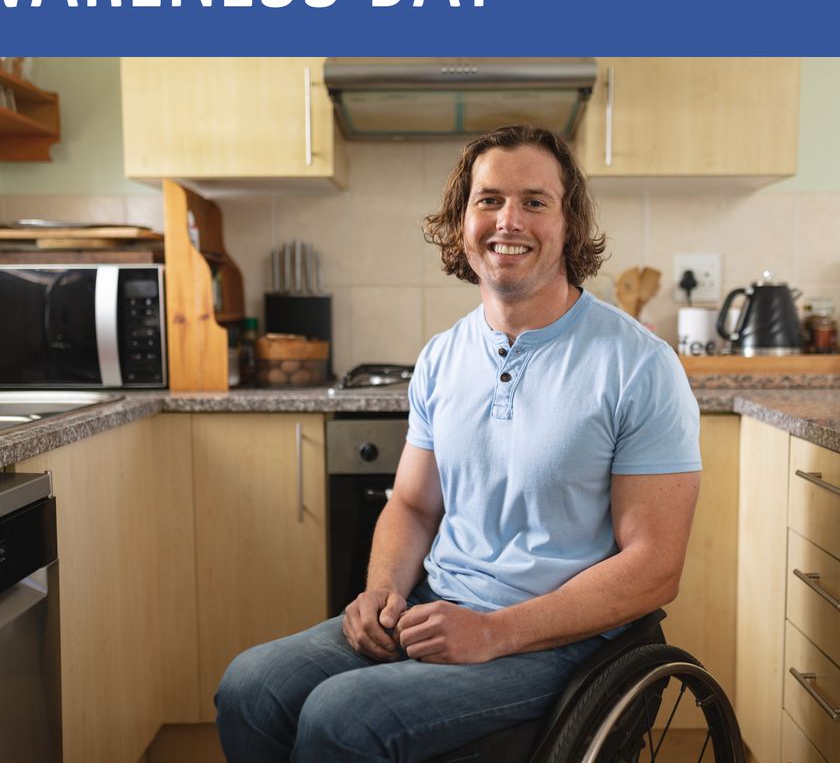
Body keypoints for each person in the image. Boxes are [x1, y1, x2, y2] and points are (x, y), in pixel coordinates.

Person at [215, 125, 701, 762]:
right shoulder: (443, 357)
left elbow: (655, 565)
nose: (509, 220)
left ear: (570, 223)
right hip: (433, 605)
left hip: (562, 638)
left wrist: (496, 632)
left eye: (535, 201)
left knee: (342, 719)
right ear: (461, 221)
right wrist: (381, 594)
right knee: (251, 688)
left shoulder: (638, 365)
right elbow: (413, 506)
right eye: (489, 199)